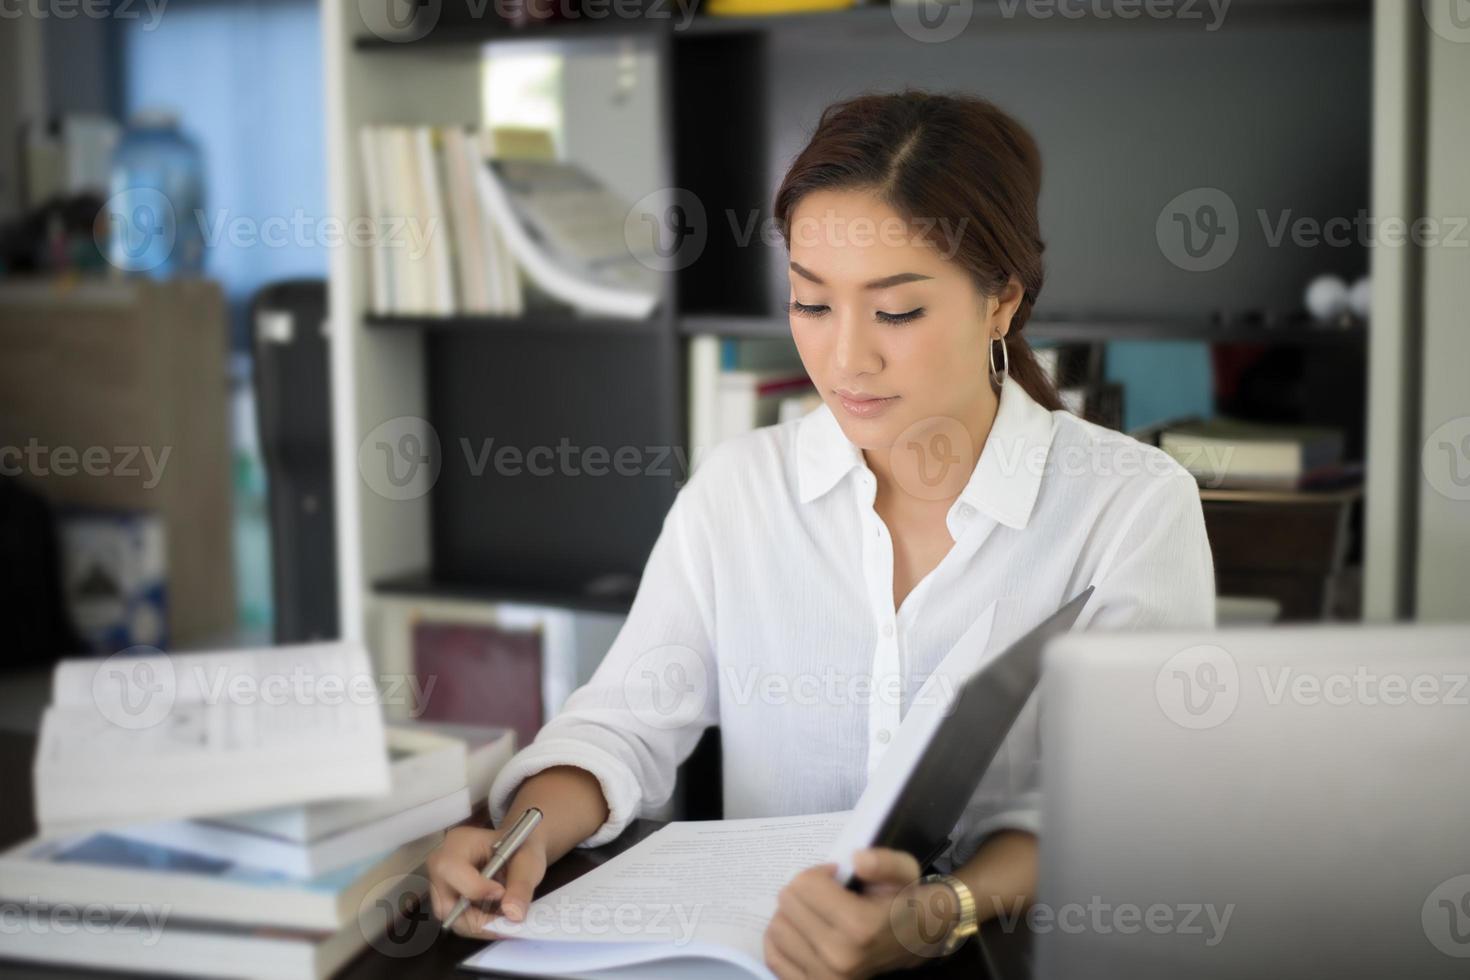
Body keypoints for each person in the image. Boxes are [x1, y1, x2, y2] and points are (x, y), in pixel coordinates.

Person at [426, 89, 1216, 978]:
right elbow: (619, 730)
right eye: (811, 303)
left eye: (897, 311)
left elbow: (1125, 803)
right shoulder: (741, 491)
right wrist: (516, 839)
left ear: (1001, 301)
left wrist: (940, 910)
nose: (847, 360)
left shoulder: (1129, 506)